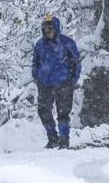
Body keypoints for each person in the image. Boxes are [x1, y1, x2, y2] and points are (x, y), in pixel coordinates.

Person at [31, 13, 80, 149]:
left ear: (57, 28)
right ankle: (52, 138)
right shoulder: (40, 45)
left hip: (64, 83)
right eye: (46, 29)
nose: (49, 31)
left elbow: (76, 62)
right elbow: (35, 62)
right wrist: (36, 77)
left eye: (51, 28)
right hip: (45, 84)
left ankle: (64, 140)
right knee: (43, 111)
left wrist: (73, 80)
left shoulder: (67, 43)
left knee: (63, 114)